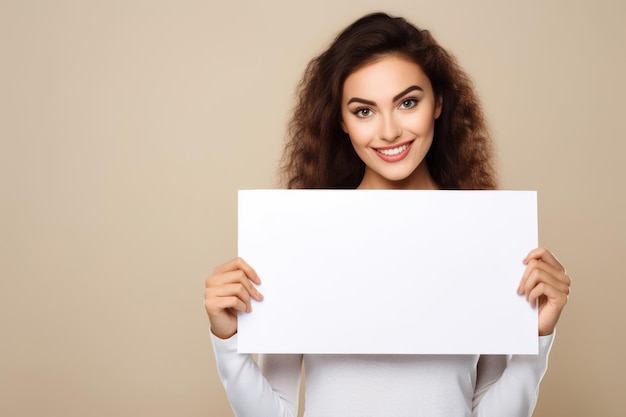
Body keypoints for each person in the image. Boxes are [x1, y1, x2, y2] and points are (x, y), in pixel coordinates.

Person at [204, 12, 570, 417]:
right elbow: (276, 411)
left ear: (438, 103)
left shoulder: (483, 232)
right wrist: (229, 342)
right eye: (364, 111)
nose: (390, 131)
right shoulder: (304, 234)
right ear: (341, 121)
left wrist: (536, 337)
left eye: (407, 102)